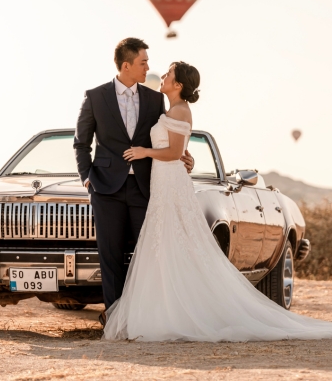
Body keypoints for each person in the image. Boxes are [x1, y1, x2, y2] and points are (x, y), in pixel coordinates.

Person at [103, 61, 332, 342]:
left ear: (178, 85)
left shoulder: (180, 110)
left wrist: (143, 152)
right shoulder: (172, 110)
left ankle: (176, 314)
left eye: (168, 74)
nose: (162, 76)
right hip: (164, 180)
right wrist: (180, 156)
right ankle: (165, 309)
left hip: (171, 182)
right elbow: (179, 151)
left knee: (173, 242)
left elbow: (174, 151)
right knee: (164, 245)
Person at [73, 38, 193, 326]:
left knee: (149, 253)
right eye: (143, 63)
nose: (148, 68)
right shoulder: (95, 97)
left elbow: (170, 136)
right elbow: (81, 143)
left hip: (145, 187)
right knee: (110, 256)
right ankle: (116, 320)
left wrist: (185, 157)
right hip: (105, 188)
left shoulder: (155, 99)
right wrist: (87, 178)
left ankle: (146, 317)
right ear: (126, 65)